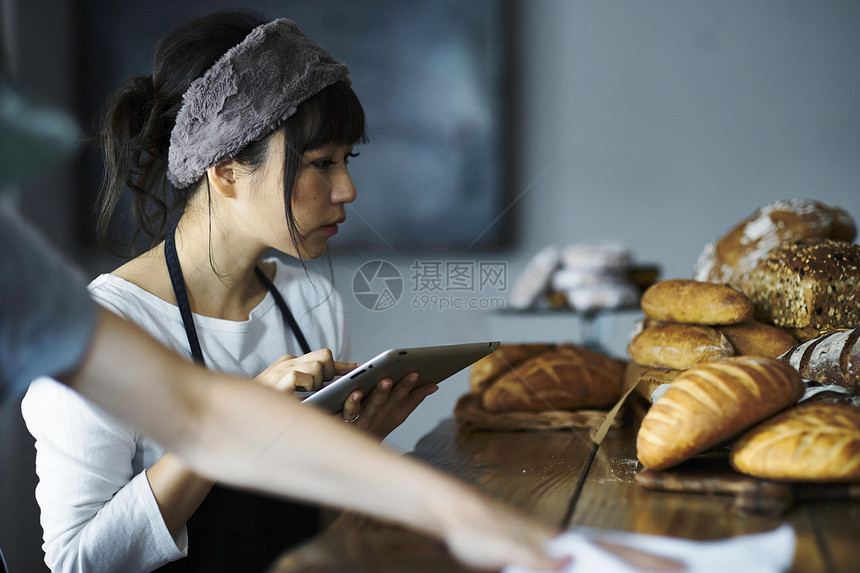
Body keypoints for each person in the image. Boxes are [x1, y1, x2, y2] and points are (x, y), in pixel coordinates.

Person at [0, 37, 566, 573]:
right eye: (321, 163)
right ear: (224, 170)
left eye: (349, 160)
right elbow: (76, 564)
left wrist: (355, 446)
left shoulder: (310, 298)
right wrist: (245, 417)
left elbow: (319, 529)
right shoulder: (107, 321)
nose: (347, 190)